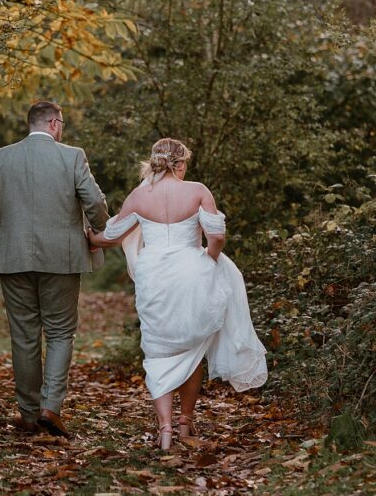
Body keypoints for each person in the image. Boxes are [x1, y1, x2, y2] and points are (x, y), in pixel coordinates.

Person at [87, 137, 267, 450]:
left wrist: (89, 235)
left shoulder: (139, 196)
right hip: (192, 272)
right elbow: (218, 236)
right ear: (181, 163)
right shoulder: (198, 191)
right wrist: (209, 258)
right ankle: (185, 421)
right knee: (192, 348)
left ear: (154, 162)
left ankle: (165, 430)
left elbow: (111, 237)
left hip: (154, 277)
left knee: (158, 352)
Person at [0, 101, 108, 439]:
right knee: (61, 332)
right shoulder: (72, 156)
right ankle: (51, 407)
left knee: (23, 335)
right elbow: (94, 202)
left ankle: (29, 414)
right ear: (53, 123)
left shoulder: (1, 157)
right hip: (62, 259)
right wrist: (98, 232)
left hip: (14, 256)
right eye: (61, 122)